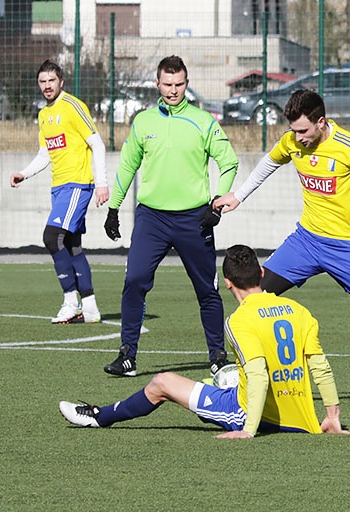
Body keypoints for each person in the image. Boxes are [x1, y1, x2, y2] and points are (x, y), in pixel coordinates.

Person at [215, 89, 350, 401]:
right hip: (305, 242)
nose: (297, 137)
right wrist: (238, 196)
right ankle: (252, 376)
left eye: (303, 130)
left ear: (321, 122)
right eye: (293, 131)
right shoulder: (292, 140)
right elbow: (270, 161)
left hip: (348, 249)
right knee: (255, 298)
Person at [58, 245, 348, 437]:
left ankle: (98, 417)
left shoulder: (239, 321)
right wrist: (331, 416)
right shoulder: (299, 311)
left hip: (248, 412)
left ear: (228, 283)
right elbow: (320, 367)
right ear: (261, 274)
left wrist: (248, 429)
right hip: (300, 416)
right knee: (227, 376)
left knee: (162, 382)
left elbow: (259, 377)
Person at [100, 55, 239, 378]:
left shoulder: (204, 121)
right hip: (152, 219)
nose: (173, 90)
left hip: (194, 219)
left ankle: (218, 355)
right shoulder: (143, 122)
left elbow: (229, 162)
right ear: (157, 84)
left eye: (179, 84)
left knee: (207, 289)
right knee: (134, 280)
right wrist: (113, 208)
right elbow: (127, 167)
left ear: (186, 84)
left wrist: (217, 203)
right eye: (167, 84)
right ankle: (127, 356)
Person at [10, 60, 109, 324]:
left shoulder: (73, 106)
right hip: (59, 188)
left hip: (77, 184)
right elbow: (46, 153)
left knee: (51, 237)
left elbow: (97, 144)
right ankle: (90, 308)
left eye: (51, 81)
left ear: (61, 81)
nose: (46, 86)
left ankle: (70, 300)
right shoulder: (44, 115)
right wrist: (25, 173)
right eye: (42, 82)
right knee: (71, 245)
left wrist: (102, 183)